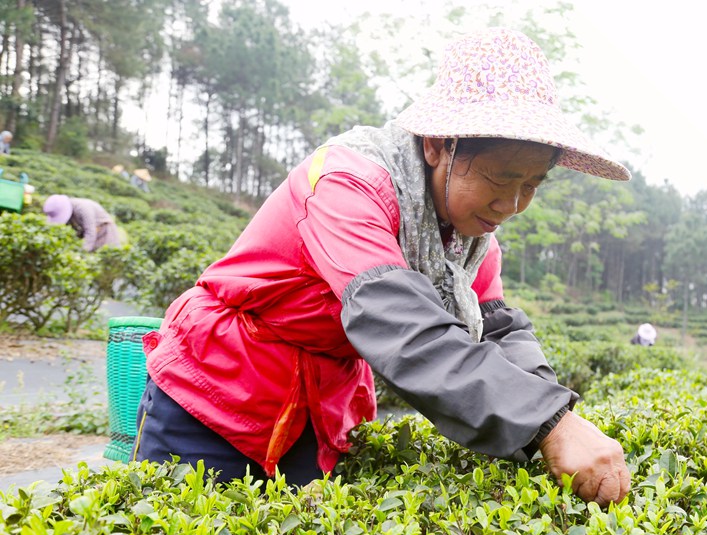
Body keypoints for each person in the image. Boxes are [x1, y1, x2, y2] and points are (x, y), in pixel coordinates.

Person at [132, 28, 632, 507]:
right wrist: (549, 423)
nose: (513, 203)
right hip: (216, 391)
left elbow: (498, 332)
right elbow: (402, 326)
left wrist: (558, 417)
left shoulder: (471, 238)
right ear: (438, 143)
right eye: (501, 177)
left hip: (318, 409)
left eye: (532, 184)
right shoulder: (349, 184)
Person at [43, 194, 122, 252]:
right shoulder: (71, 213)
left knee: (108, 256)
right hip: (93, 232)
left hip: (105, 231)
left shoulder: (83, 208)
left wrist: (82, 253)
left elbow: (90, 232)